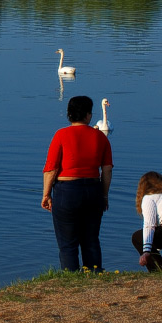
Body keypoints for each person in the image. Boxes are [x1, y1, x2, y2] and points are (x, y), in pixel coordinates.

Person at [41, 95, 113, 272]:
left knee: (67, 243)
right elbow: (107, 170)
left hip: (67, 192)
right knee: (91, 240)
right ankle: (95, 274)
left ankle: (70, 278)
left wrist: (46, 194)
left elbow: (51, 169)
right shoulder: (100, 137)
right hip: (93, 190)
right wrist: (104, 195)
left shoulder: (61, 135)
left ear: (69, 114)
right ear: (88, 115)